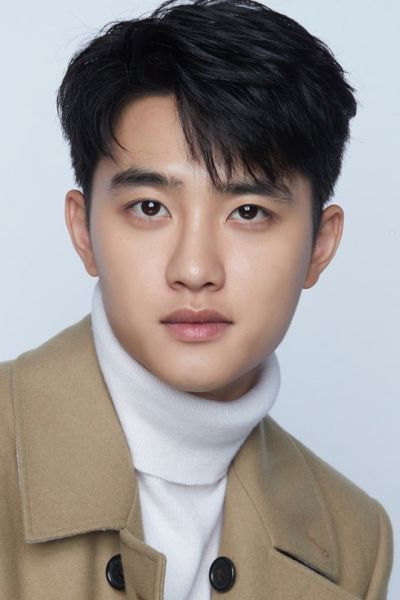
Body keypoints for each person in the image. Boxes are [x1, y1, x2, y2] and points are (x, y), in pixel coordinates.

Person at [0, 0, 393, 598]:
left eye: (248, 212)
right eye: (150, 207)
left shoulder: (353, 539)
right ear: (83, 232)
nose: (194, 270)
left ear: (320, 245)